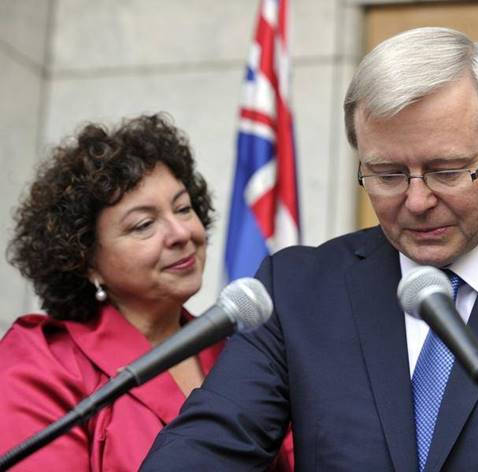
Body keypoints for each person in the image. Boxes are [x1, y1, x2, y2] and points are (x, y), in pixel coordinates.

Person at [141, 28, 478, 471]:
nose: (416, 201)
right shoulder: (295, 291)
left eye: (447, 171)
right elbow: (206, 448)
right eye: (387, 175)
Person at [0, 113, 293, 471]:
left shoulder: (240, 353)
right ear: (84, 259)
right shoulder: (44, 361)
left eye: (184, 208)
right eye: (143, 225)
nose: (181, 233)